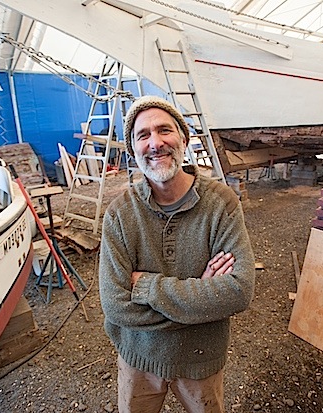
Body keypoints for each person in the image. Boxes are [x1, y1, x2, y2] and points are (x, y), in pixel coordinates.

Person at [98, 95, 256, 413]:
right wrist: (199, 299)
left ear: (183, 139)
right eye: (143, 135)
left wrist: (145, 288)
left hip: (201, 359)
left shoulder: (221, 204)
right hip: (139, 358)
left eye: (164, 130)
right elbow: (115, 306)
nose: (155, 143)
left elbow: (239, 291)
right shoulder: (119, 214)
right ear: (133, 150)